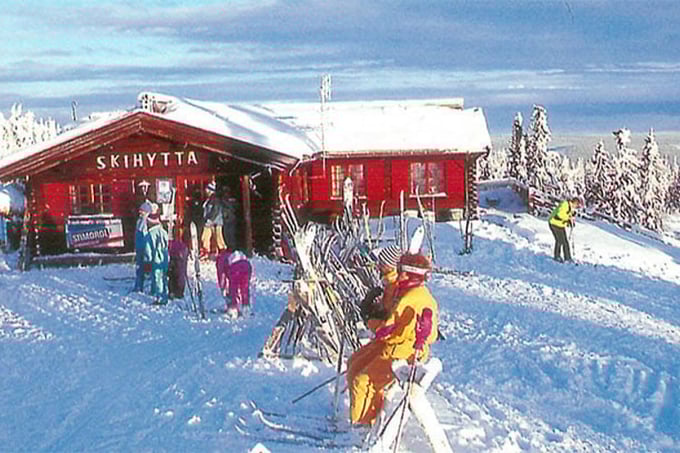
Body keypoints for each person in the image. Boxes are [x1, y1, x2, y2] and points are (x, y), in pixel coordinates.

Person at [348, 252, 439, 426]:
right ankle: (365, 418)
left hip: (403, 350)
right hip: (393, 345)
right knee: (354, 364)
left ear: (412, 275)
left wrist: (370, 319)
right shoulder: (408, 292)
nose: (400, 275)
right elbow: (391, 321)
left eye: (403, 271)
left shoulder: (412, 297)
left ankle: (363, 425)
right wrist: (377, 312)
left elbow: (387, 330)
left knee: (364, 381)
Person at [216, 248, 252, 318]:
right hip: (247, 266)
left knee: (233, 288)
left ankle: (233, 308)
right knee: (244, 287)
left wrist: (223, 288)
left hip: (235, 268)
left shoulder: (220, 260)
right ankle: (246, 307)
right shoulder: (230, 255)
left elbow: (221, 276)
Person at [147, 203, 169, 305]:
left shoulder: (150, 234)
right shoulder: (163, 231)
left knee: (157, 277)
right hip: (165, 257)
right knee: (164, 276)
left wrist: (148, 259)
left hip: (156, 257)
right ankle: (165, 294)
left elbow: (148, 249)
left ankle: (159, 297)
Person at [548, 196, 582, 263]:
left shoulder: (570, 207)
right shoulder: (565, 204)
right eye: (577, 205)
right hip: (554, 223)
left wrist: (570, 220)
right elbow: (560, 215)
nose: (576, 207)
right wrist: (567, 219)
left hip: (559, 224)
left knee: (563, 241)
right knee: (561, 241)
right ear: (574, 203)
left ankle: (563, 257)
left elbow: (567, 215)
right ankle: (561, 257)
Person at [200, 181, 226, 257]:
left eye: (207, 190)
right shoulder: (208, 199)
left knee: (218, 237)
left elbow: (216, 211)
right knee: (205, 236)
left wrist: (210, 220)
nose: (206, 191)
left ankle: (223, 251)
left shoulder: (215, 199)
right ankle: (206, 250)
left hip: (216, 222)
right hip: (209, 223)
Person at [133, 201, 153, 293]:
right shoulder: (139, 221)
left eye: (142, 211)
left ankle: (154, 289)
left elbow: (146, 239)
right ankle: (138, 286)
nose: (140, 212)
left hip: (145, 249)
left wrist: (148, 254)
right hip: (139, 249)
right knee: (139, 268)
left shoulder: (146, 222)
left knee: (149, 269)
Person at [221, 186, 238, 250]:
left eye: (226, 191)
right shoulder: (222, 199)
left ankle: (233, 247)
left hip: (231, 219)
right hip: (225, 219)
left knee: (231, 233)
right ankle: (228, 246)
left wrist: (226, 202)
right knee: (226, 234)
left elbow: (235, 208)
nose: (225, 193)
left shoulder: (232, 199)